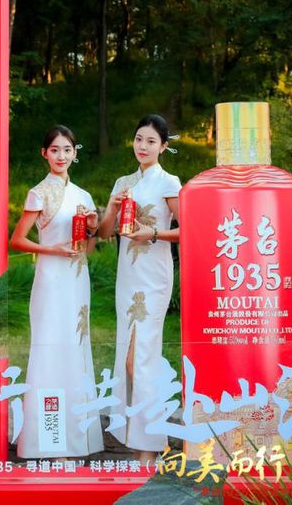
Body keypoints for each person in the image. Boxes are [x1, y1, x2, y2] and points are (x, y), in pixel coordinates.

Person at [10, 125, 104, 459]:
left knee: (75, 350)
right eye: (54, 150)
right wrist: (52, 250)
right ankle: (49, 443)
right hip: (50, 280)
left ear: (75, 153)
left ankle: (77, 441)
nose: (61, 156)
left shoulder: (83, 196)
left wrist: (92, 228)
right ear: (44, 154)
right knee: (50, 352)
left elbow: (88, 249)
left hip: (77, 280)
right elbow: (17, 240)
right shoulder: (39, 193)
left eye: (67, 150)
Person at [96, 114, 181, 464]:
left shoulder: (169, 182)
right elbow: (104, 233)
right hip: (127, 276)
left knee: (139, 360)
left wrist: (155, 233)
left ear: (163, 146)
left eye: (150, 141)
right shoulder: (123, 182)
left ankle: (149, 447)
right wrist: (112, 207)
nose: (142, 146)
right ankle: (140, 447)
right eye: (138, 139)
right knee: (127, 360)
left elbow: (193, 228)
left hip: (154, 278)